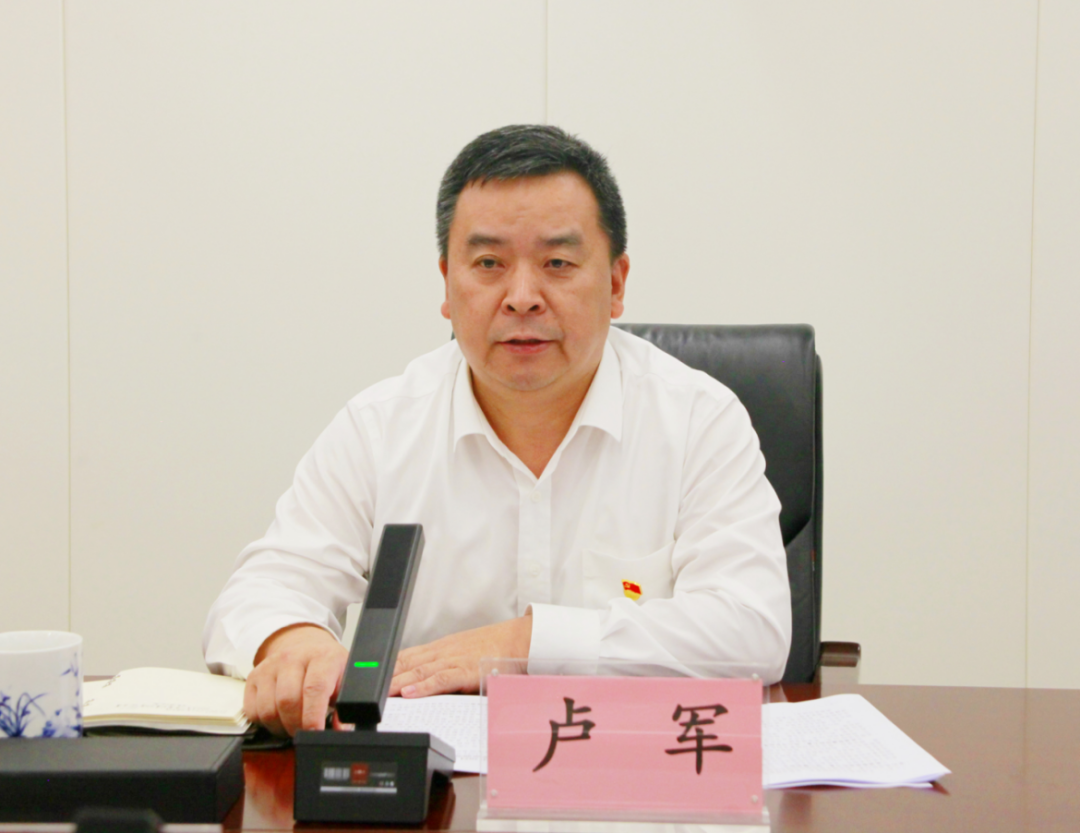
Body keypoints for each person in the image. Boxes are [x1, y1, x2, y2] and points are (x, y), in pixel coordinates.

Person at [203, 125, 791, 737]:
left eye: (558, 263)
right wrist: (294, 643)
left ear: (616, 284)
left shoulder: (698, 420)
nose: (522, 297)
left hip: (632, 769)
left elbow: (752, 630)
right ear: (446, 284)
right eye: (489, 264)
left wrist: (523, 645)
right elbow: (259, 592)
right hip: (435, 782)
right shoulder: (380, 428)